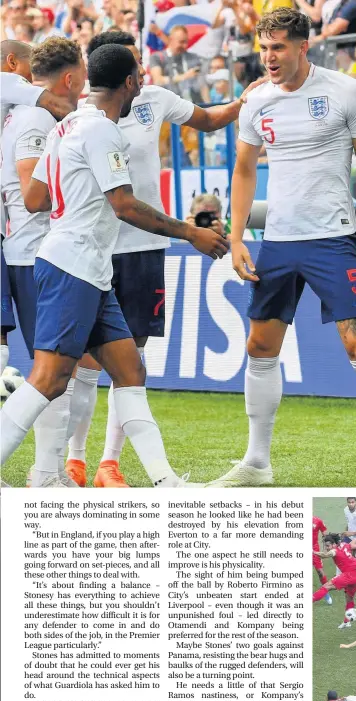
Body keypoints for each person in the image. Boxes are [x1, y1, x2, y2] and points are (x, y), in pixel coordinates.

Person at [208, 7, 356, 490]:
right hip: (278, 243)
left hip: (332, 240)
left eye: (278, 47)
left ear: (304, 46)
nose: (269, 57)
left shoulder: (345, 91)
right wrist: (238, 235)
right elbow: (244, 171)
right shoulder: (256, 101)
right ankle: (257, 463)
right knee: (260, 347)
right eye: (264, 48)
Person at [0, 43, 229, 489]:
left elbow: (35, 199)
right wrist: (191, 233)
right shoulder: (104, 131)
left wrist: (76, 193)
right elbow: (123, 206)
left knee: (129, 371)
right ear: (131, 83)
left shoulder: (65, 124)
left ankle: (166, 482)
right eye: (139, 77)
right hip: (74, 266)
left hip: (85, 266)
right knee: (49, 378)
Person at [64, 30, 263, 488]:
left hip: (146, 248)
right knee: (86, 362)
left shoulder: (154, 98)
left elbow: (210, 119)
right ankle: (72, 459)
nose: (139, 74)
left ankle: (107, 464)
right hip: (98, 245)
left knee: (131, 357)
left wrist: (243, 102)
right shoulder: (81, 114)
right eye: (130, 66)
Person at [2, 37, 87, 488]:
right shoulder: (34, 115)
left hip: (25, 248)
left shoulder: (19, 110)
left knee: (61, 368)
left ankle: (50, 471)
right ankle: (46, 473)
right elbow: (32, 191)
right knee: (53, 370)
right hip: (34, 254)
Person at [149, 25, 210, 104]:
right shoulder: (157, 57)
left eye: (186, 42)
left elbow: (202, 85)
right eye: (181, 42)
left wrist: (208, 105)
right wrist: (184, 76)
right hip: (168, 106)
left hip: (194, 105)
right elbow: (158, 80)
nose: (185, 46)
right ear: (171, 40)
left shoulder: (194, 58)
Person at [312, 534, 356, 628]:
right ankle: (347, 622)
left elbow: (325, 555)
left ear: (334, 544)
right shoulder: (344, 544)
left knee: (326, 586)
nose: (327, 548)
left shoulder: (334, 551)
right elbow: (355, 546)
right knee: (349, 599)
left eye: (328, 545)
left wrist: (313, 552)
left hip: (349, 575)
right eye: (325, 546)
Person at [312, 515, 332, 604]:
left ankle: (325, 592)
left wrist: (326, 548)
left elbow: (325, 534)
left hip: (314, 549)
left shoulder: (318, 521)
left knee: (320, 572)